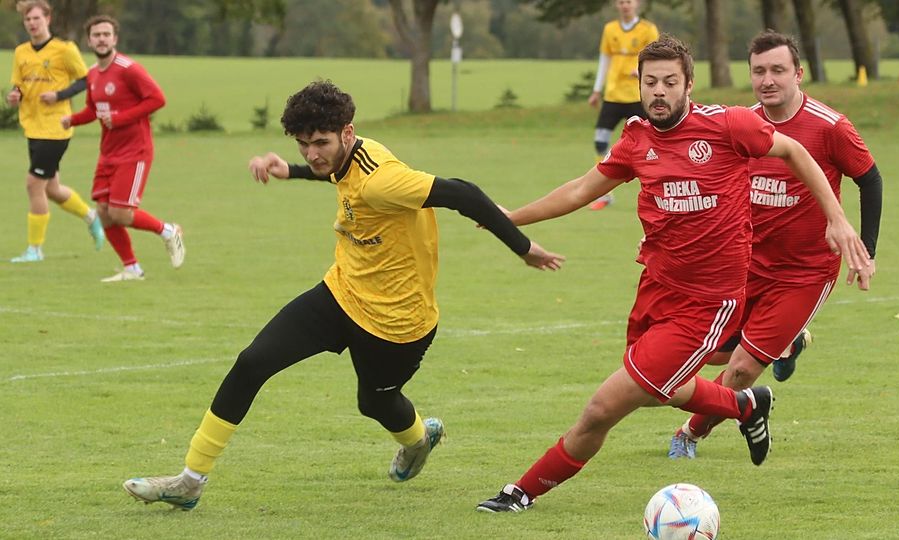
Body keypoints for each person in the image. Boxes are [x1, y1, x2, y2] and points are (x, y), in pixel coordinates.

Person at [121, 80, 566, 510]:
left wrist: (524, 249)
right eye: (302, 144)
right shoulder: (346, 156)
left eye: (320, 143)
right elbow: (337, 173)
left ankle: (417, 440)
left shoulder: (383, 180)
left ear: (347, 133)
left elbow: (462, 193)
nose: (312, 152)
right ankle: (189, 482)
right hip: (341, 292)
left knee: (374, 402)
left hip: (398, 321)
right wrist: (290, 170)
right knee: (251, 362)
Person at [476, 35, 870, 513]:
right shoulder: (637, 136)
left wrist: (837, 217)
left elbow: (795, 153)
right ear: (639, 86)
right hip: (656, 288)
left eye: (669, 82)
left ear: (689, 85)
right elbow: (582, 188)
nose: (658, 91)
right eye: (649, 82)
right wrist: (510, 218)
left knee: (603, 408)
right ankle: (747, 405)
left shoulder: (728, 125)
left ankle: (521, 492)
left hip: (707, 303)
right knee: (655, 390)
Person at [667, 30, 881, 460]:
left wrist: (866, 249)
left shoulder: (830, 127)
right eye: (759, 71)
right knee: (707, 356)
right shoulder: (741, 125)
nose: (768, 80)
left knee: (742, 369)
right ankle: (789, 342)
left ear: (798, 74)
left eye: (778, 70)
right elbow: (711, 188)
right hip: (744, 263)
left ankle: (688, 434)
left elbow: (869, 179)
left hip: (803, 273)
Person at [61, 14, 184, 282]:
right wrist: (71, 119)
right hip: (108, 152)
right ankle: (132, 268)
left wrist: (120, 118)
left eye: (106, 34)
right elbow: (94, 110)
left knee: (121, 213)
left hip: (135, 151)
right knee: (104, 214)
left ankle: (168, 230)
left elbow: (157, 99)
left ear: (114, 38)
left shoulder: (129, 69)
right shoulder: (92, 74)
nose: (101, 39)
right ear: (89, 40)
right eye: (97, 35)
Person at [8, 0, 103, 263]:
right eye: (28, 19)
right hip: (32, 126)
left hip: (57, 127)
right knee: (51, 188)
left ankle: (35, 249)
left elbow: (86, 79)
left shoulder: (64, 50)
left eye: (37, 18)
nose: (32, 23)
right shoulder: (21, 52)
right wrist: (14, 96)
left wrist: (60, 95)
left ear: (47, 19)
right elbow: (19, 87)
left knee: (33, 185)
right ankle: (91, 216)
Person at [586, 0, 658, 210]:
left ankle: (655, 190)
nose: (625, 5)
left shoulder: (648, 29)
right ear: (616, 5)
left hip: (637, 95)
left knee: (651, 143)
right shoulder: (610, 29)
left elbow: (656, 57)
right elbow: (604, 60)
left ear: (637, 4)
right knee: (600, 138)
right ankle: (604, 193)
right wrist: (596, 90)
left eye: (629, 1)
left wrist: (643, 71)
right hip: (613, 94)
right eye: (621, 2)